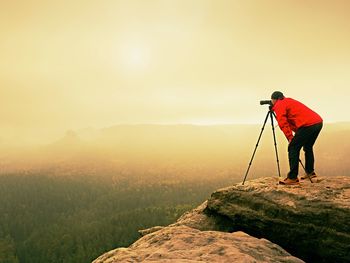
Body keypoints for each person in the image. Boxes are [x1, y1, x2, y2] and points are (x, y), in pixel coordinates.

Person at [271, 91, 323, 185]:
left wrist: (290, 137)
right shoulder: (288, 100)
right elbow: (295, 119)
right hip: (318, 122)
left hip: (307, 125)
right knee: (308, 146)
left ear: (274, 100)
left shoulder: (279, 104)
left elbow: (282, 122)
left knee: (293, 147)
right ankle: (310, 172)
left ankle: (292, 178)